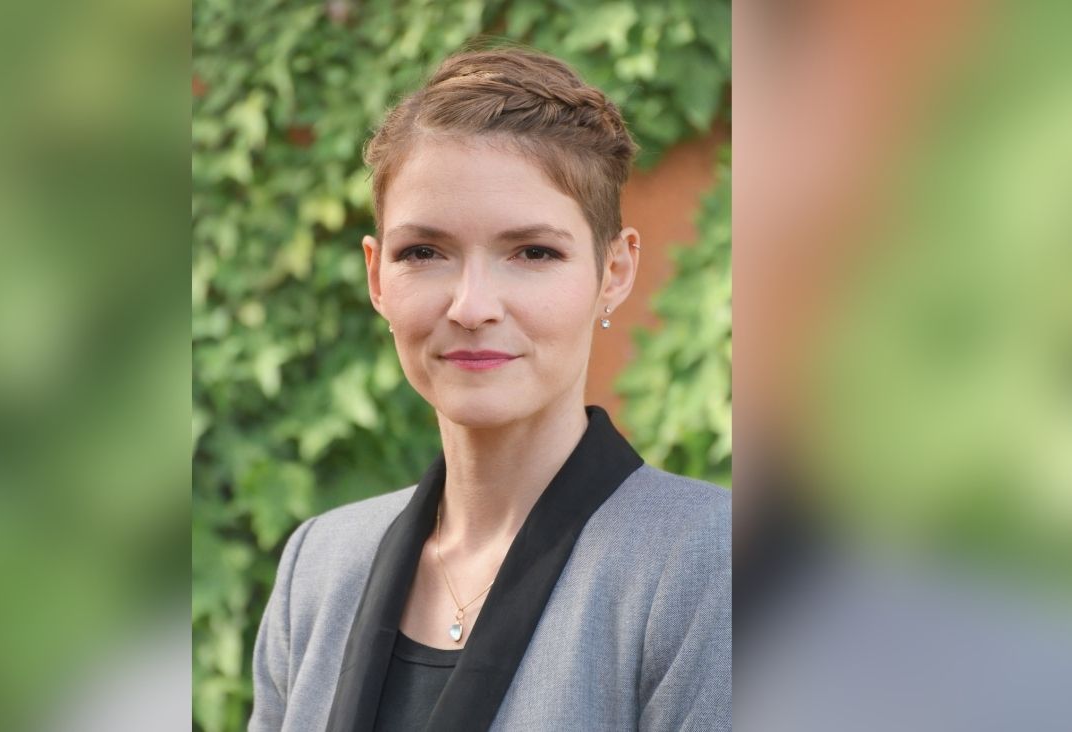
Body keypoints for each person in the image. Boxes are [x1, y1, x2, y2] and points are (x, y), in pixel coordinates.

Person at [249, 47, 730, 732]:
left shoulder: (708, 565)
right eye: (424, 252)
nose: (472, 306)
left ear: (614, 271)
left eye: (533, 252)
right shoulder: (319, 567)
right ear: (377, 276)